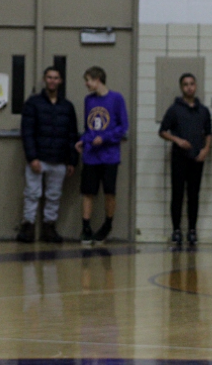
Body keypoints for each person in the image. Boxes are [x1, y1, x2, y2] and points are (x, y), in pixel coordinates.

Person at [17, 66, 79, 243]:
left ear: (60, 81)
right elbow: (27, 132)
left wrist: (72, 161)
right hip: (38, 159)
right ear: (44, 80)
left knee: (54, 195)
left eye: (56, 78)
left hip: (59, 160)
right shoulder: (33, 103)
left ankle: (49, 228)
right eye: (49, 77)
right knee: (32, 193)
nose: (52, 81)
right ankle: (27, 227)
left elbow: (72, 135)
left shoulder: (67, 107)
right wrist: (32, 157)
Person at [75, 66, 128, 244]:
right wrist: (83, 140)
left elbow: (123, 126)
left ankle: (107, 224)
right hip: (91, 155)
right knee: (88, 192)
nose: (86, 84)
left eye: (88, 80)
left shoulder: (116, 99)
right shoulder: (88, 100)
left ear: (98, 79)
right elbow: (88, 127)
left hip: (109, 155)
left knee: (109, 192)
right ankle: (86, 227)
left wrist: (104, 138)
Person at [159, 73, 212, 246]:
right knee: (177, 194)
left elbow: (209, 133)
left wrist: (205, 150)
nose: (189, 87)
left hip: (197, 159)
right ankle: (176, 231)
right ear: (182, 87)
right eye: (185, 84)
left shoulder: (203, 111)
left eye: (192, 83)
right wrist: (177, 140)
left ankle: (192, 231)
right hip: (179, 159)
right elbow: (163, 131)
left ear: (195, 86)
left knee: (193, 196)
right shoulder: (174, 109)